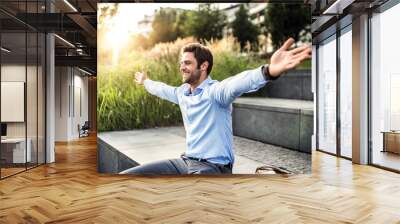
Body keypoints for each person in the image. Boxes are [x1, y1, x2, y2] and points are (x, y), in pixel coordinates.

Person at [120, 38, 311, 175]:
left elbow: (237, 83)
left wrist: (268, 71)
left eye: (187, 63)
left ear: (203, 66)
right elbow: (161, 89)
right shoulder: (183, 93)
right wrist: (145, 81)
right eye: (181, 63)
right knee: (127, 178)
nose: (182, 67)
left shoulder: (215, 92)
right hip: (186, 161)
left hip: (214, 168)